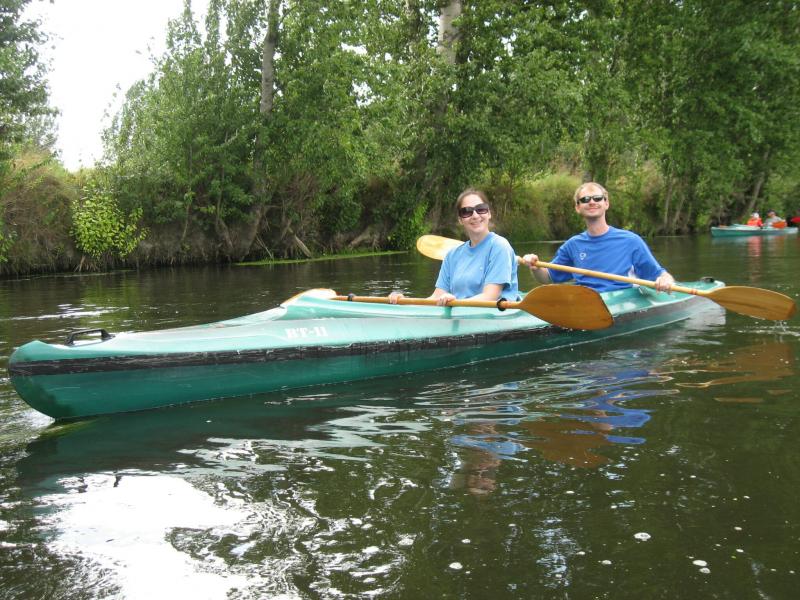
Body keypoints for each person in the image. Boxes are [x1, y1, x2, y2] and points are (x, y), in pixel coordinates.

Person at [522, 182, 675, 293]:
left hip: (621, 302)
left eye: (597, 198)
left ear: (606, 203)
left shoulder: (631, 241)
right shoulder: (573, 245)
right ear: (577, 207)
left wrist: (665, 281)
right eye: (585, 199)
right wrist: (536, 267)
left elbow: (660, 274)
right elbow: (548, 278)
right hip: (585, 303)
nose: (592, 202)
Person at [389, 189, 519, 305]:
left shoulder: (500, 246)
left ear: (489, 213)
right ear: (460, 220)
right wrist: (405, 303)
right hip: (460, 315)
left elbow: (490, 297)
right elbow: (436, 297)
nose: (475, 215)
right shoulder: (452, 255)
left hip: (492, 317)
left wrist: (455, 302)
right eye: (467, 212)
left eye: (481, 209)